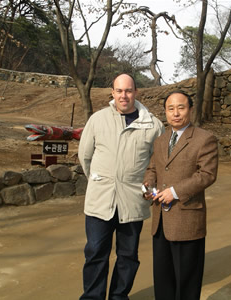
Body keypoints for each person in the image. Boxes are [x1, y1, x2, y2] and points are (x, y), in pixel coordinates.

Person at [78, 73, 164, 300]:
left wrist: (149, 190)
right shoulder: (98, 120)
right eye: (119, 91)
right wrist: (100, 181)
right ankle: (92, 297)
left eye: (128, 91)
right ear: (112, 92)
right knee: (96, 252)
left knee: (128, 255)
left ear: (136, 92)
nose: (123, 95)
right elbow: (85, 157)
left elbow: (158, 165)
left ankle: (119, 296)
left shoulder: (153, 125)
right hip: (100, 201)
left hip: (133, 202)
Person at [143, 90, 219, 300]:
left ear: (191, 110)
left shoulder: (205, 139)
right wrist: (148, 186)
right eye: (170, 108)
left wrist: (175, 192)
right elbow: (152, 169)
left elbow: (207, 174)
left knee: (187, 281)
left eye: (181, 107)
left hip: (187, 220)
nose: (175, 113)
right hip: (160, 221)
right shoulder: (161, 140)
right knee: (163, 279)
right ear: (165, 112)